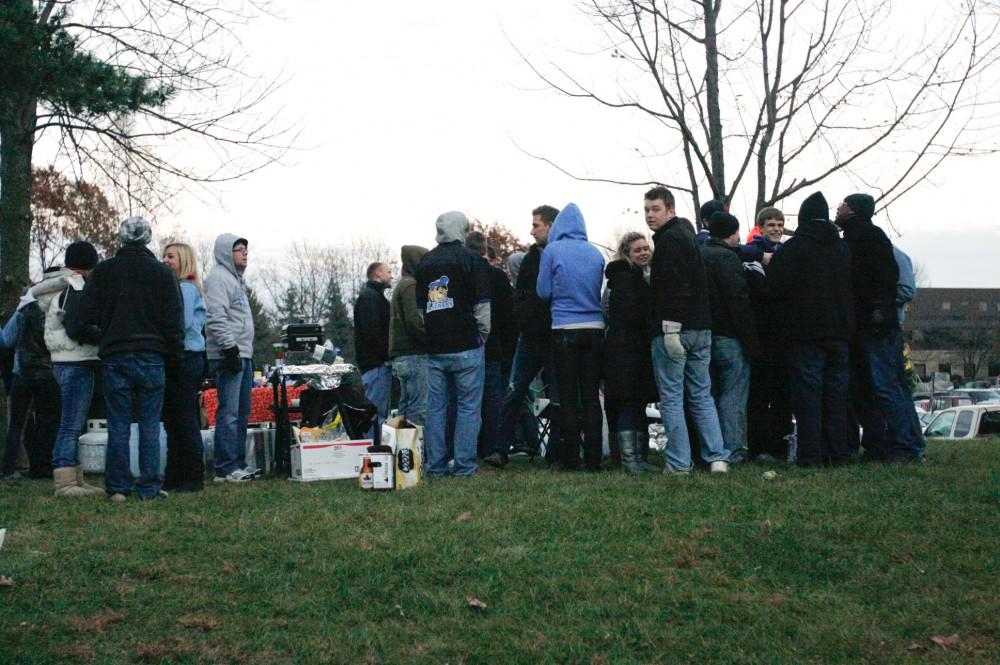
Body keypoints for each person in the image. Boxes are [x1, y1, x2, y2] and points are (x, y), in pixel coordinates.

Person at [80, 217, 185, 500]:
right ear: (148, 239)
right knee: (150, 423)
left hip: (116, 355)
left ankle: (117, 487)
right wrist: (174, 355)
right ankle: (149, 486)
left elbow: (82, 318)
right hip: (152, 355)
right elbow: (174, 322)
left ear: (122, 238)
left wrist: (105, 336)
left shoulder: (104, 272)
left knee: (118, 424)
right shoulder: (163, 274)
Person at [645, 187, 730, 474]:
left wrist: (669, 328)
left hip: (675, 328)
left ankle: (680, 462)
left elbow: (673, 288)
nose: (649, 215)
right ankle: (717, 456)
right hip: (701, 328)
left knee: (671, 397)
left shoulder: (668, 242)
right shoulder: (690, 239)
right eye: (647, 209)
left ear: (670, 210)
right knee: (701, 394)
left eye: (655, 209)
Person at [767, 192, 854, 467]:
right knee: (836, 397)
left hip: (804, 334)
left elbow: (775, 289)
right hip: (839, 333)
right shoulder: (842, 248)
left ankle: (810, 455)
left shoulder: (794, 249)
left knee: (808, 397)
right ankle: (838, 453)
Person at [835, 193, 922, 463]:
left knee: (885, 385)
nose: (838, 208)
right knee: (881, 386)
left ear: (852, 210)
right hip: (876, 324)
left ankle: (904, 447)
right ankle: (892, 444)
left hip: (874, 327)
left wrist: (875, 310)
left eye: (843, 204)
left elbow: (885, 282)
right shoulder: (869, 237)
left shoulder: (863, 239)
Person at [415, 211, 490, 478]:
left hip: (435, 348)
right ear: (463, 229)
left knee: (435, 409)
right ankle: (464, 467)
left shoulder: (424, 262)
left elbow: (421, 311)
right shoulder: (472, 260)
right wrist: (481, 336)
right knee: (469, 408)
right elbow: (482, 307)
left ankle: (434, 467)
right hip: (467, 345)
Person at [485, 206, 562, 468]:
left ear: (550, 226)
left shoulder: (558, 255)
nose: (532, 231)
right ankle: (500, 449)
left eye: (536, 225)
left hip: (551, 337)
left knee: (556, 396)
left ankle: (553, 452)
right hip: (530, 336)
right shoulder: (530, 258)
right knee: (514, 392)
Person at [537, 203, 606, 471]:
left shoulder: (553, 250)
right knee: (590, 395)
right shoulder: (595, 253)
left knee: (566, 396)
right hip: (594, 328)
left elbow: (543, 291)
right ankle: (594, 458)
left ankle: (569, 458)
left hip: (564, 328)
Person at [43, 242, 105, 496]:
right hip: (77, 360)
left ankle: (74, 478)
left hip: (63, 360)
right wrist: (103, 336)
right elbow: (76, 327)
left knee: (72, 422)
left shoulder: (58, 287)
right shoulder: (76, 287)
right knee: (71, 423)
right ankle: (65, 481)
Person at [701, 212, 760, 463]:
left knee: (707, 395)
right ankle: (732, 448)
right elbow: (739, 302)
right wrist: (752, 341)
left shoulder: (700, 255)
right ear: (732, 233)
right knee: (733, 394)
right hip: (730, 335)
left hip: (704, 333)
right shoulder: (728, 258)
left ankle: (709, 449)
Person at [602, 231, 657, 473]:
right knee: (627, 402)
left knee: (636, 402)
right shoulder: (626, 279)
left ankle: (637, 457)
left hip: (632, 348)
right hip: (625, 350)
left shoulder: (635, 276)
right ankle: (630, 459)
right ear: (626, 254)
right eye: (638, 249)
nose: (644, 252)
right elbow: (630, 315)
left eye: (646, 248)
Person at [204, 233, 257, 482]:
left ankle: (238, 462)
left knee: (243, 411)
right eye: (239, 249)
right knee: (229, 412)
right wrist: (230, 348)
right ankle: (224, 467)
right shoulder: (218, 278)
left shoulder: (236, 281)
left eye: (246, 249)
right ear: (226, 253)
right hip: (229, 354)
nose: (244, 253)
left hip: (243, 352)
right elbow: (216, 316)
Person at [1, 280, 61, 480]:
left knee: (17, 423)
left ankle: (9, 468)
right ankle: (42, 466)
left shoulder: (22, 311)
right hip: (46, 371)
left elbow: (7, 340)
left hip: (21, 371)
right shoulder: (57, 306)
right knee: (48, 419)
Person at [746, 207, 793, 462]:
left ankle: (781, 444)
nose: (776, 229)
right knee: (760, 395)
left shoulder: (786, 253)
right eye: (771, 224)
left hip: (783, 336)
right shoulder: (752, 256)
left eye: (780, 224)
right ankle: (759, 447)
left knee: (782, 395)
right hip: (762, 335)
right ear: (761, 228)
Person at [161, 243, 208, 492]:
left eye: (171, 257)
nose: (165, 260)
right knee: (175, 420)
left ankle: (192, 476)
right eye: (164, 256)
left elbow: (182, 322)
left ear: (184, 261)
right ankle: (176, 475)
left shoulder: (186, 289)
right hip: (184, 357)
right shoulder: (183, 288)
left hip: (185, 357)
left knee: (184, 419)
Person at [465, 232, 514, 459]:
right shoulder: (497, 277)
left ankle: (468, 446)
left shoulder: (463, 276)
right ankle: (489, 446)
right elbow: (508, 316)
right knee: (493, 401)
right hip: (495, 347)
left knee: (467, 401)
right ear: (486, 249)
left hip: (467, 346)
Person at [389, 246, 429, 426]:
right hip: (414, 355)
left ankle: (404, 451)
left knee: (404, 409)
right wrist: (431, 339)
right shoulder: (411, 286)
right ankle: (418, 451)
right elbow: (414, 322)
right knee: (419, 409)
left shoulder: (401, 285)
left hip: (402, 357)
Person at [354, 261, 393, 435]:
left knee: (378, 413)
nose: (391, 275)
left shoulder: (373, 297)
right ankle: (372, 453)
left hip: (375, 364)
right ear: (377, 273)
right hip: (376, 365)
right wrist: (387, 354)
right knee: (375, 414)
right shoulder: (370, 298)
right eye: (389, 271)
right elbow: (373, 333)